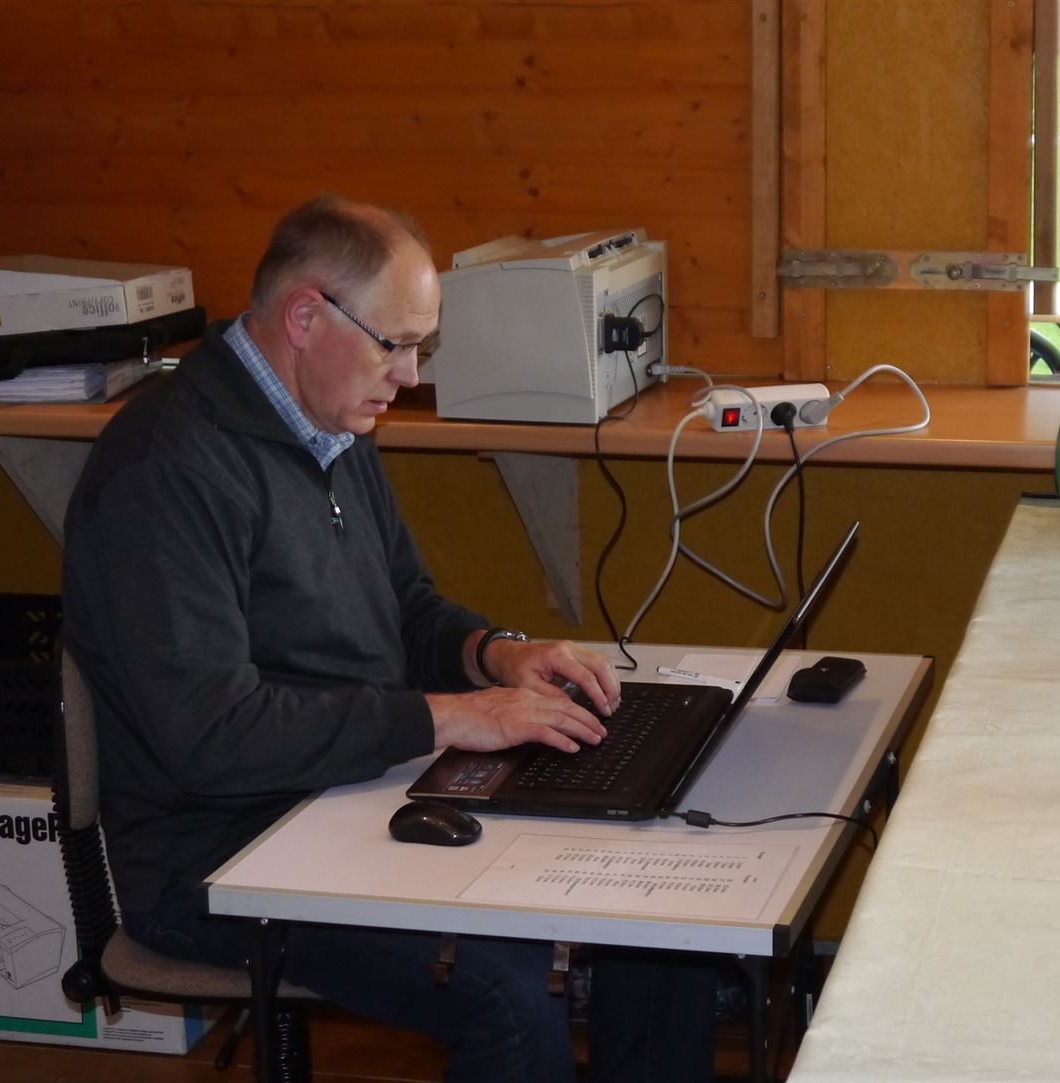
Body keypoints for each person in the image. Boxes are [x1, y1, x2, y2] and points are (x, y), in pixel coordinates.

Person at [61, 195, 717, 1081]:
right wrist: (448, 717)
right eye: (395, 345)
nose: (408, 375)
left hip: (356, 790)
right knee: (505, 995)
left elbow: (405, 606)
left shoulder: (330, 419)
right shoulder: (167, 471)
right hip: (217, 852)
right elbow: (210, 736)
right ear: (305, 317)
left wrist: (498, 655)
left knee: (653, 913)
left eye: (420, 347)